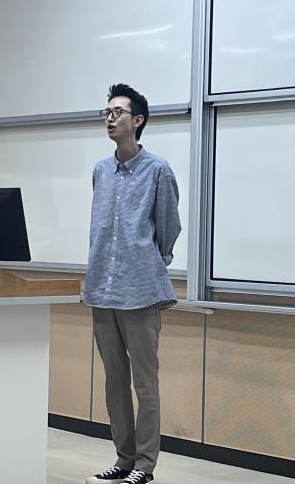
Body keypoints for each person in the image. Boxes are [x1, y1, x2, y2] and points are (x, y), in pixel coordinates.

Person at [85, 83, 182, 484]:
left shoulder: (157, 170)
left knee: (145, 383)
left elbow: (169, 229)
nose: (110, 119)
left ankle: (144, 466)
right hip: (101, 288)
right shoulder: (100, 171)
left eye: (118, 112)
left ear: (137, 120)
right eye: (106, 112)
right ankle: (123, 460)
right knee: (114, 381)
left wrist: (149, 264)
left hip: (140, 292)